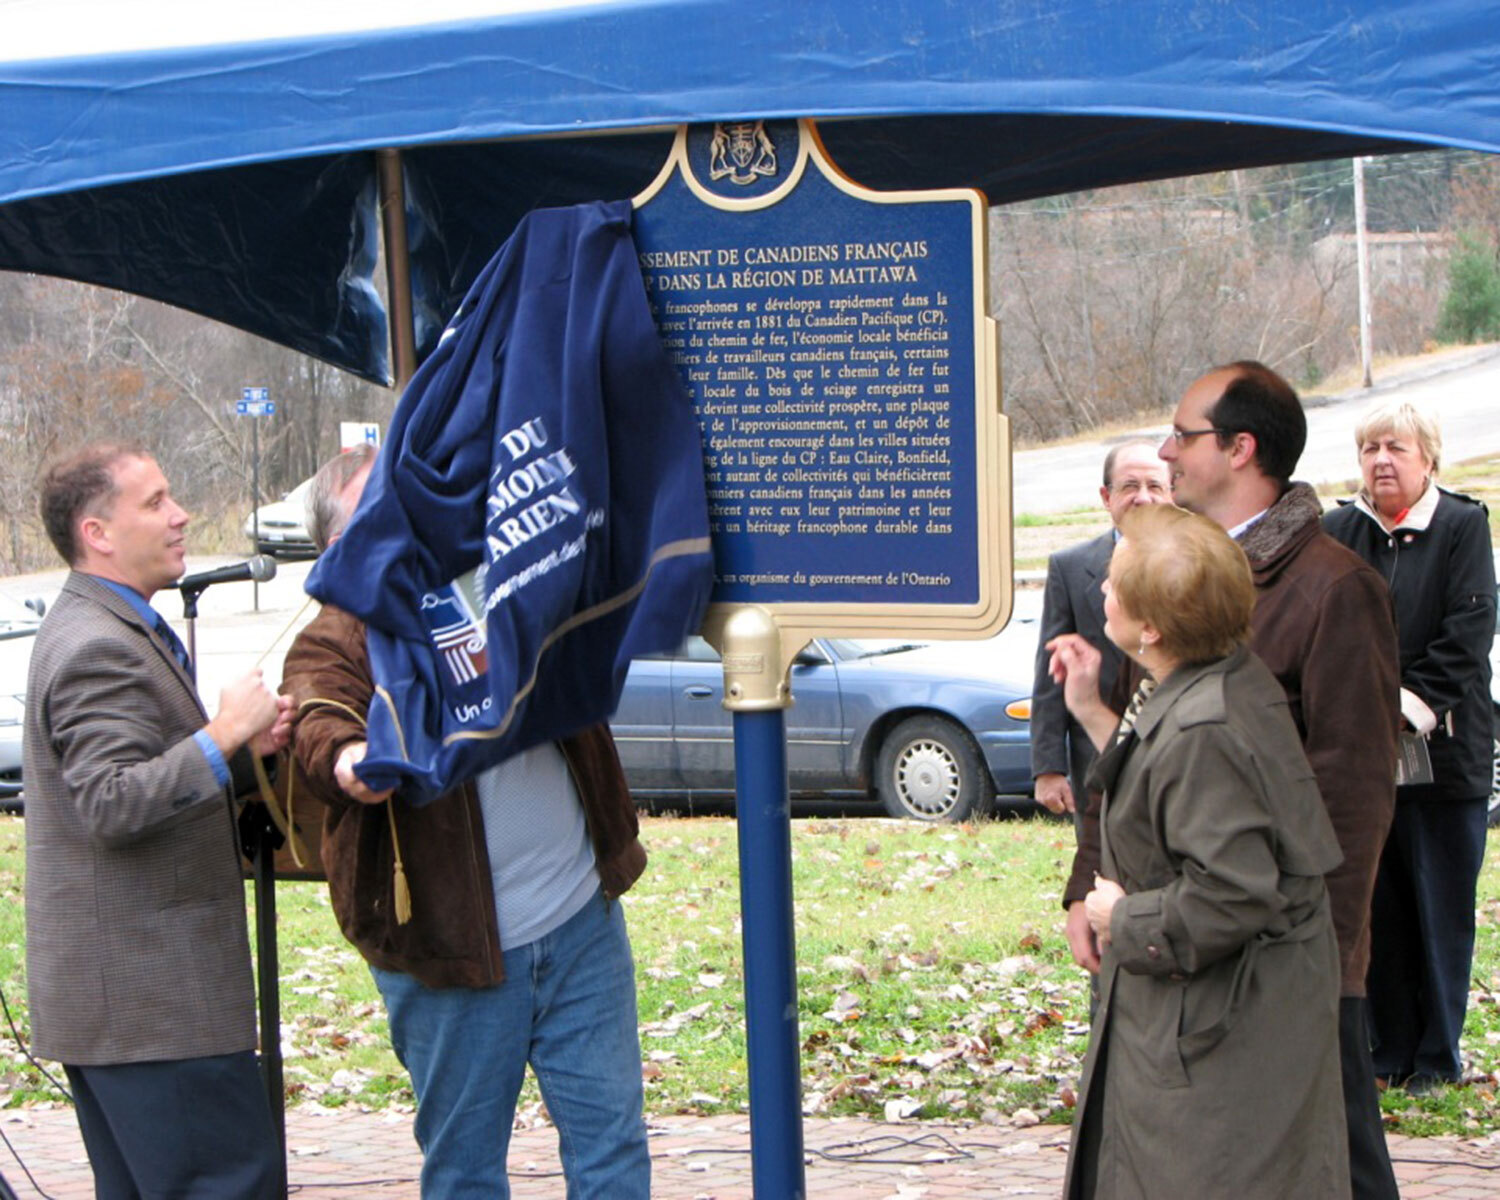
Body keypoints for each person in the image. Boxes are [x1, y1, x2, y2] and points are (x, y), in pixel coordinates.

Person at [1054, 361, 1402, 1200]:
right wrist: (1086, 886)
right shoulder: (1179, 568)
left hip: (1271, 964)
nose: (1167, 450)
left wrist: (1333, 966)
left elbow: (1352, 789)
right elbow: (1147, 753)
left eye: (1185, 434)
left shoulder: (1333, 588)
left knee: (1323, 1158)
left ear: (1241, 448)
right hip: (1185, 961)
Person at [280, 446, 651, 1199]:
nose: (408, 521)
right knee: (466, 1173)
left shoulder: (502, 576)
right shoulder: (340, 634)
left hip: (580, 922)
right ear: (335, 551)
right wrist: (353, 759)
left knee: (612, 1150)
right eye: (378, 511)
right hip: (452, 953)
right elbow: (319, 710)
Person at [1055, 504, 1347, 1198]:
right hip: (1220, 1015)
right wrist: (1093, 711)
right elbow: (1164, 794)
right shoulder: (1214, 678)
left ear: (1152, 626)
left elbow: (1233, 891)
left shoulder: (1206, 724)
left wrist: (1120, 919)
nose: (1102, 590)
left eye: (1116, 583)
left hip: (1225, 1027)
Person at [24, 443, 292, 1199]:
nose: (179, 517)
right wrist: (221, 736)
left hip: (137, 1014)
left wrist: (245, 754)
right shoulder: (97, 645)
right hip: (154, 1011)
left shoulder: (107, 624)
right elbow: (108, 804)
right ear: (97, 532)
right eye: (155, 503)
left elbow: (135, 783)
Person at [1324, 400, 1496, 1092]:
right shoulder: (1341, 530)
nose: (1380, 461)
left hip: (1445, 754)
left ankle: (1437, 1056)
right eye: (1369, 449)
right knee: (1381, 908)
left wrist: (1400, 708)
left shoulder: (1461, 526)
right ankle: (1389, 1051)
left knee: (1439, 907)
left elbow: (1466, 636)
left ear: (1428, 456)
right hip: (1365, 763)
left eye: (1394, 447)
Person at [1031, 440, 1170, 825]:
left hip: (1172, 752)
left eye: (1155, 486)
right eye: (1130, 487)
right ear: (1106, 497)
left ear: (1171, 493)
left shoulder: (1193, 565)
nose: (1143, 498)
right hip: (1094, 760)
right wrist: (1048, 767)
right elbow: (1050, 670)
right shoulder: (1071, 568)